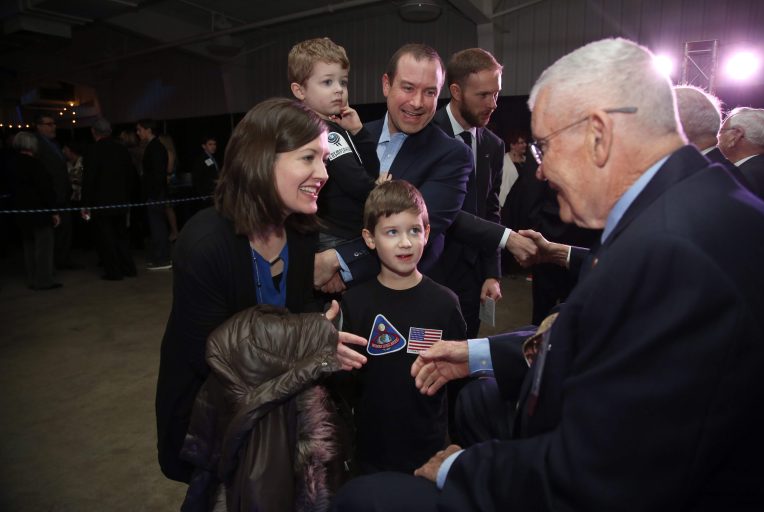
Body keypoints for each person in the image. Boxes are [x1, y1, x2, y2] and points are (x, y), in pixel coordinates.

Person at [330, 37, 764, 511]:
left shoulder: (671, 252)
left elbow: (601, 472)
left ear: (598, 136)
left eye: (543, 148)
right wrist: (478, 354)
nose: (538, 173)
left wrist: (460, 468)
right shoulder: (694, 206)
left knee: (361, 500)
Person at [155, 98, 368, 489]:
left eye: (324, 159)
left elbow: (300, 309)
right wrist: (310, 339)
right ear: (262, 159)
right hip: (212, 420)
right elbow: (213, 354)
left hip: (277, 413)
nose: (324, 173)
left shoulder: (302, 231)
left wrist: (318, 329)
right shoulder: (204, 243)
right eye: (308, 158)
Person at [314, 43, 538, 292]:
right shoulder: (352, 134)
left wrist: (339, 261)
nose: (417, 102)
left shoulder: (452, 155)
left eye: (430, 92)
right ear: (386, 85)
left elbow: (418, 230)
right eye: (408, 88)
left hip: (402, 298)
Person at [341, 180, 466, 475]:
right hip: (370, 449)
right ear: (370, 238)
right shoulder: (355, 303)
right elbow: (346, 384)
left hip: (429, 450)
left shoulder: (445, 303)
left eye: (414, 230)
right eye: (392, 232)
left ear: (427, 233)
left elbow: (461, 381)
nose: (405, 242)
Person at [431, 47, 504, 339]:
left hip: (474, 280)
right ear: (456, 92)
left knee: (464, 352)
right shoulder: (425, 134)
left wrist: (492, 272)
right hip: (429, 272)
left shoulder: (493, 146)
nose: (493, 104)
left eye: (496, 94)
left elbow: (491, 211)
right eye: (483, 95)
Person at [289, 37, 382, 251]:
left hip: (337, 231)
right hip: (338, 235)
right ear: (300, 90)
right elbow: (357, 184)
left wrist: (358, 132)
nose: (339, 89)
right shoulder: (323, 131)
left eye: (343, 82)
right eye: (327, 82)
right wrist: (382, 190)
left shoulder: (333, 126)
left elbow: (370, 170)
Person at [81, 118, 137, 280]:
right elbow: (130, 176)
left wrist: (85, 204)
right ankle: (128, 268)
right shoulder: (122, 149)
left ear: (93, 132)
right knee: (122, 236)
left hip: (101, 203)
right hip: (121, 200)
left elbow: (89, 180)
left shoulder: (93, 151)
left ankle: (114, 272)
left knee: (106, 238)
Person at [9, 131, 61, 290]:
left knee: (29, 246)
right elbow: (45, 189)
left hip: (20, 211)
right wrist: (54, 211)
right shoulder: (35, 164)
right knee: (44, 247)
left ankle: (32, 278)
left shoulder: (11, 164)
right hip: (39, 211)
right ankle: (44, 280)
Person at [35, 114, 77, 269]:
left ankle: (63, 259)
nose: (53, 127)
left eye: (54, 124)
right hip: (50, 195)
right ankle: (52, 263)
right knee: (52, 231)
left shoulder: (54, 144)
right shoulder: (37, 145)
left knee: (66, 229)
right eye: (49, 124)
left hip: (62, 194)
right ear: (39, 126)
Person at [136, 119, 172, 269]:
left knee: (157, 226)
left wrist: (153, 194)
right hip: (156, 193)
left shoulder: (155, 148)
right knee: (158, 225)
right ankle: (162, 257)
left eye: (140, 130)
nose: (138, 133)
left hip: (155, 194)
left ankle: (162, 259)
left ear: (148, 130)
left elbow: (157, 174)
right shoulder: (155, 146)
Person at [717, 106, 764, 202]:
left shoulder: (741, 177)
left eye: (720, 131)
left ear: (736, 135)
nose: (717, 137)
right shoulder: (760, 170)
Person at [190, 135, 219, 203]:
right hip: (206, 194)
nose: (213, 147)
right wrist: (202, 196)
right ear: (204, 146)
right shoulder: (201, 160)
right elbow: (197, 179)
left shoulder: (213, 158)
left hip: (214, 193)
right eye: (210, 144)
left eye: (214, 144)